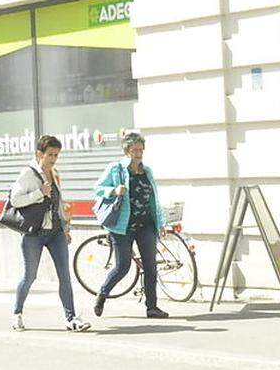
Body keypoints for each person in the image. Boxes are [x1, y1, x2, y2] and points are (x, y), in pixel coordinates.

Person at [9, 135, 90, 332]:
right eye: (50, 155)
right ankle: (17, 314)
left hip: (55, 233)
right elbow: (15, 200)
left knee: (65, 276)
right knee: (30, 276)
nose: (53, 159)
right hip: (34, 234)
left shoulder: (55, 173)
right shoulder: (28, 174)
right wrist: (39, 193)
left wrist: (65, 228)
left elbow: (58, 204)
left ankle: (71, 319)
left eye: (56, 155)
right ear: (39, 154)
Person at [92, 132, 168, 319]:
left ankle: (152, 307)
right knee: (123, 267)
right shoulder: (116, 169)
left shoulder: (147, 171)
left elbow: (154, 200)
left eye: (141, 150)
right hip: (122, 227)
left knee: (151, 266)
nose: (138, 153)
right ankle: (102, 293)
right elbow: (98, 188)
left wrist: (161, 222)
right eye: (134, 150)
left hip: (146, 226)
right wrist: (113, 190)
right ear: (127, 151)